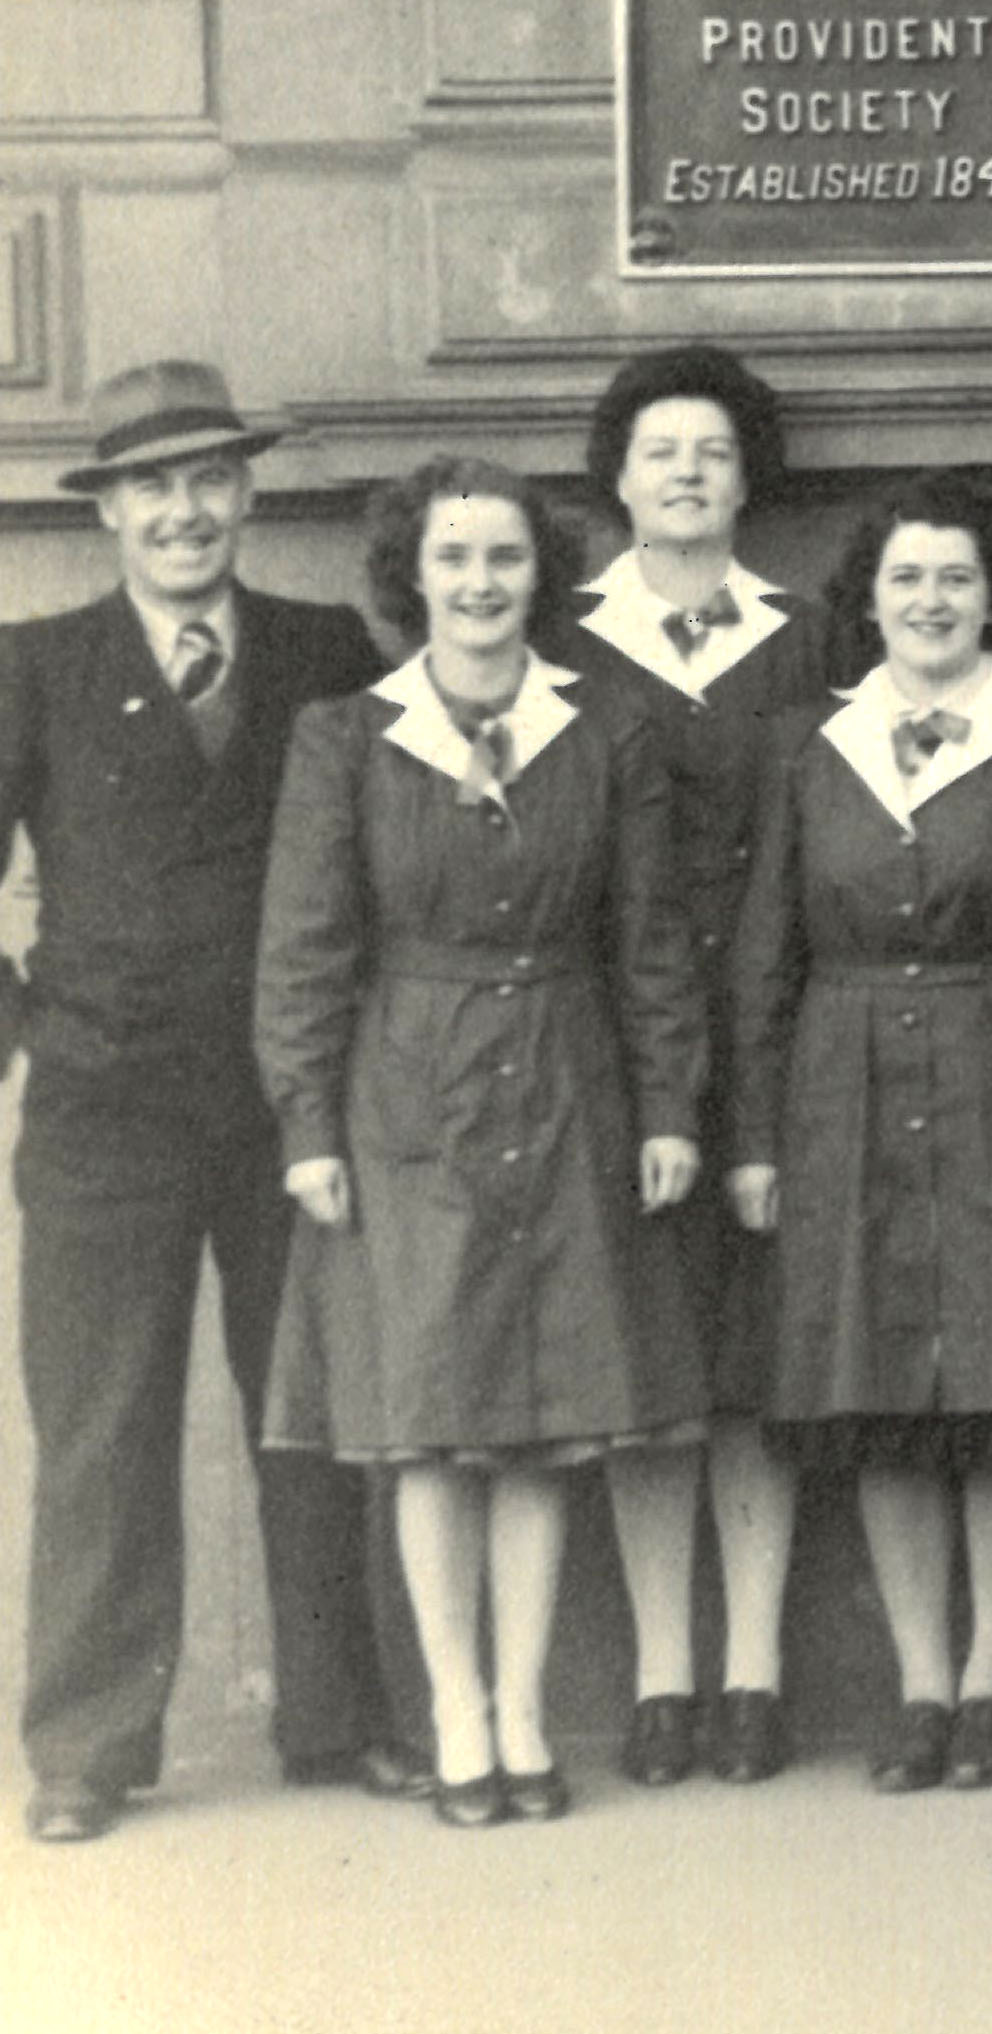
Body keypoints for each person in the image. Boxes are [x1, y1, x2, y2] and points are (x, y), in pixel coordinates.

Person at [256, 459, 705, 1828]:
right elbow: (304, 948)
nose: (479, 582)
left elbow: (651, 943)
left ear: (537, 573)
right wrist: (308, 1122)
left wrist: (672, 1105)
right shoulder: (346, 735)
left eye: (504, 556)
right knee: (434, 1424)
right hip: (408, 1100)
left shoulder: (608, 730)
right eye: (453, 557)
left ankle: (522, 1707)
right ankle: (455, 1711)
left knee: (540, 1427)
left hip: (568, 1087)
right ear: (414, 575)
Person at [5, 363, 419, 1844]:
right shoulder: (32, 663)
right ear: (110, 510)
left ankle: (338, 1717)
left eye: (207, 480)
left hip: (288, 1111)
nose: (183, 511)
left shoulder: (324, 650)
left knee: (308, 1410)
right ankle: (88, 1744)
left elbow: (394, 860)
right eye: (151, 487)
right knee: (101, 1421)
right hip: (101, 1114)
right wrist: (32, 1028)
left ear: (245, 493)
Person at [728, 477, 992, 1797]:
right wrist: (759, 1140)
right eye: (907, 578)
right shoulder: (808, 741)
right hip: (842, 1079)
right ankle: (916, 1681)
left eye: (956, 577)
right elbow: (764, 957)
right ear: (872, 598)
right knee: (882, 1391)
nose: (932, 600)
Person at [551, 344, 830, 1790]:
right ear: (616, 474)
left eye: (714, 450)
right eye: (661, 449)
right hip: (614, 1043)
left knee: (753, 1364)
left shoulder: (808, 632)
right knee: (647, 1357)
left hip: (775, 1035)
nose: (687, 472)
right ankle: (663, 1666)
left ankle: (755, 1667)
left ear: (747, 474)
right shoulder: (564, 635)